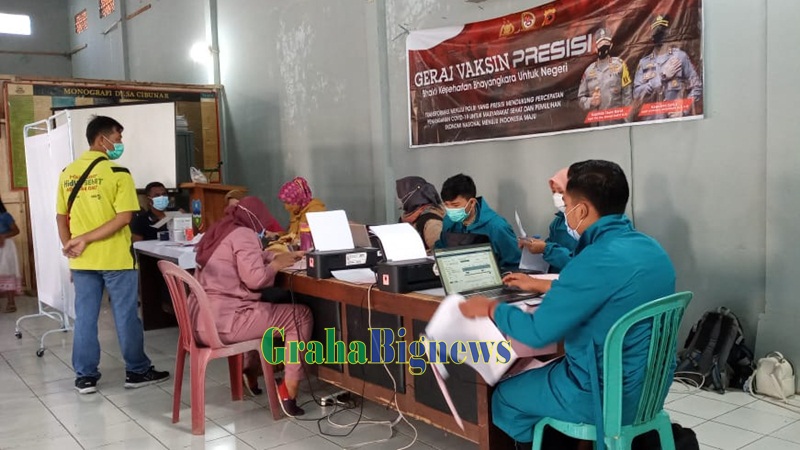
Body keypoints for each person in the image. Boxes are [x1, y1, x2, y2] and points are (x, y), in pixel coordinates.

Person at [458, 160, 676, 447]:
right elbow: (604, 288)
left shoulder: (593, 259)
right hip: (651, 389)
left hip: (600, 394)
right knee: (543, 370)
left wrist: (491, 308)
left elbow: (537, 332)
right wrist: (542, 284)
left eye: (567, 203)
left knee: (504, 397)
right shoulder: (652, 249)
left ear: (581, 210)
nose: (565, 212)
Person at [56, 115, 169, 394]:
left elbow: (61, 216)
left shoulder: (67, 173)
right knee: (126, 315)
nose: (120, 143)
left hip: (83, 259)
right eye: (117, 138)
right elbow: (124, 218)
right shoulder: (118, 173)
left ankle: (85, 377)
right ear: (102, 139)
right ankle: (137, 371)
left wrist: (71, 246)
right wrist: (84, 239)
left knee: (85, 317)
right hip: (116, 258)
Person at [194, 196, 312, 415]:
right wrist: (276, 264)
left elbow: (242, 256)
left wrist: (272, 256)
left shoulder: (222, 230)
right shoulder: (245, 234)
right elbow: (256, 280)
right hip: (228, 323)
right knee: (300, 315)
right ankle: (290, 388)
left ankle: (251, 370)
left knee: (265, 306)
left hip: (202, 322)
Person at [435, 174, 521, 270]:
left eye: (455, 205)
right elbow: (441, 248)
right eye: (446, 205)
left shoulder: (497, 227)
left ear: (472, 202)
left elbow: (515, 264)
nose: (450, 210)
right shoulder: (449, 221)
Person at [633, 14, 702, 120]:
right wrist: (661, 77)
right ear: (651, 35)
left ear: (668, 32)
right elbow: (636, 94)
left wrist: (684, 109)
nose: (659, 34)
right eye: (656, 31)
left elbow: (697, 86)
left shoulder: (680, 57)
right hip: (651, 122)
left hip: (675, 122)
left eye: (662, 30)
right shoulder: (644, 63)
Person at [518, 168, 578, 273]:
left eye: (561, 191)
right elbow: (550, 253)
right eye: (554, 192)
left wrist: (546, 249)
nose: (557, 196)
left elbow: (580, 263)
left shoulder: (586, 224)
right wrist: (533, 246)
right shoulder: (558, 222)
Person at [578, 27, 633, 125]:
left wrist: (627, 123)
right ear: (595, 48)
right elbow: (580, 99)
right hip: (596, 125)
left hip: (616, 123)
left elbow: (627, 95)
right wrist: (591, 101)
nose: (603, 46)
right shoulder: (588, 71)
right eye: (600, 44)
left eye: (606, 43)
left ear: (611, 46)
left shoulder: (620, 65)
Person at [395, 176, 444, 251]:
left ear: (413, 196)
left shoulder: (431, 222)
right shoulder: (406, 218)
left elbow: (441, 253)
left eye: (401, 195)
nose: (399, 199)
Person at [278, 177, 326, 242]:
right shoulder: (297, 210)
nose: (286, 207)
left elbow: (306, 240)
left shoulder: (314, 211)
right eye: (284, 202)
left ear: (298, 199)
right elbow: (291, 234)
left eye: (289, 203)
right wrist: (277, 235)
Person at [0, 198, 22, 313]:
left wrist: (3, 236)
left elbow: (16, 230)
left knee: (7, 272)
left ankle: (11, 302)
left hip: (5, 247)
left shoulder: (5, 216)